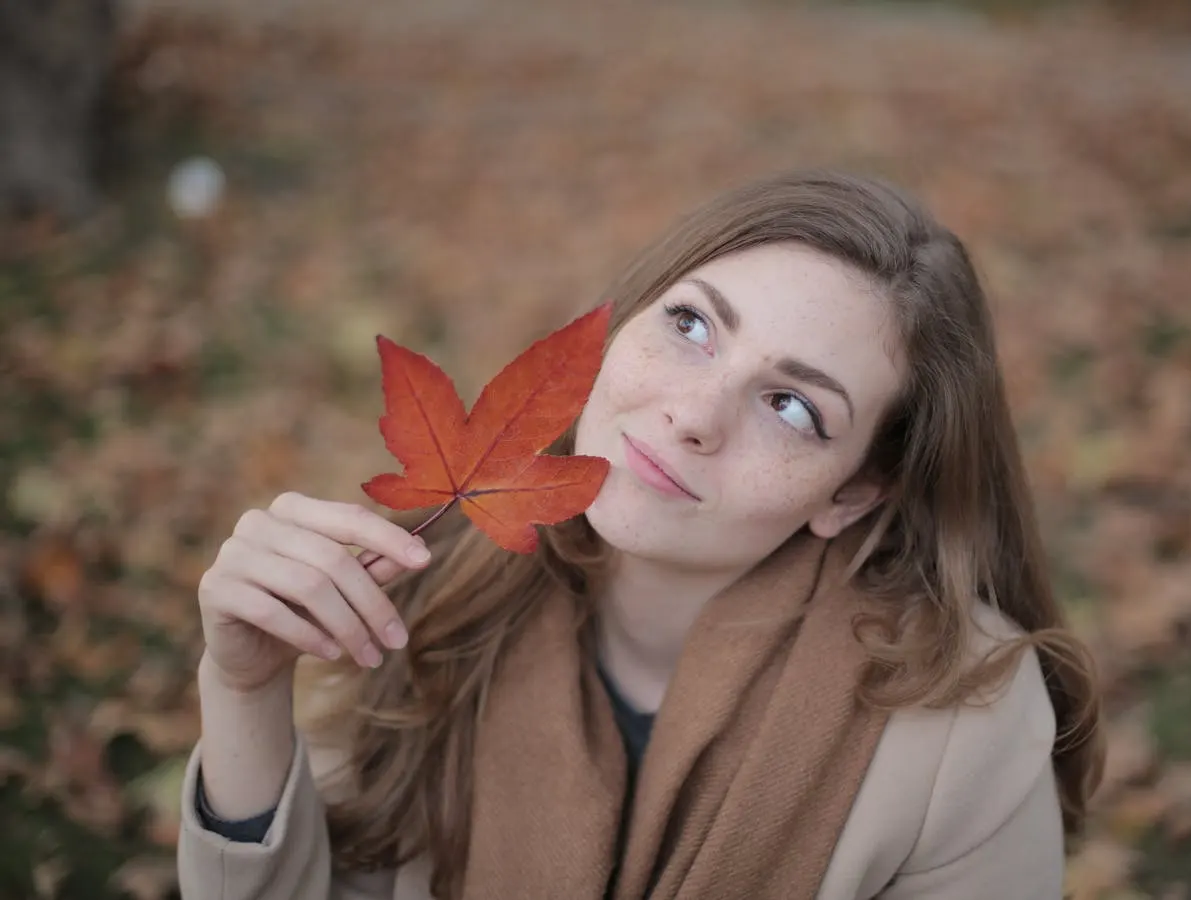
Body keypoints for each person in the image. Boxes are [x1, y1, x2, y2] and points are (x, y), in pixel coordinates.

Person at [177, 169, 1103, 900]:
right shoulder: (422, 583)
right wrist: (245, 689)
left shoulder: (961, 719)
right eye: (692, 324)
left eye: (790, 405)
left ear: (853, 494)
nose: (694, 413)